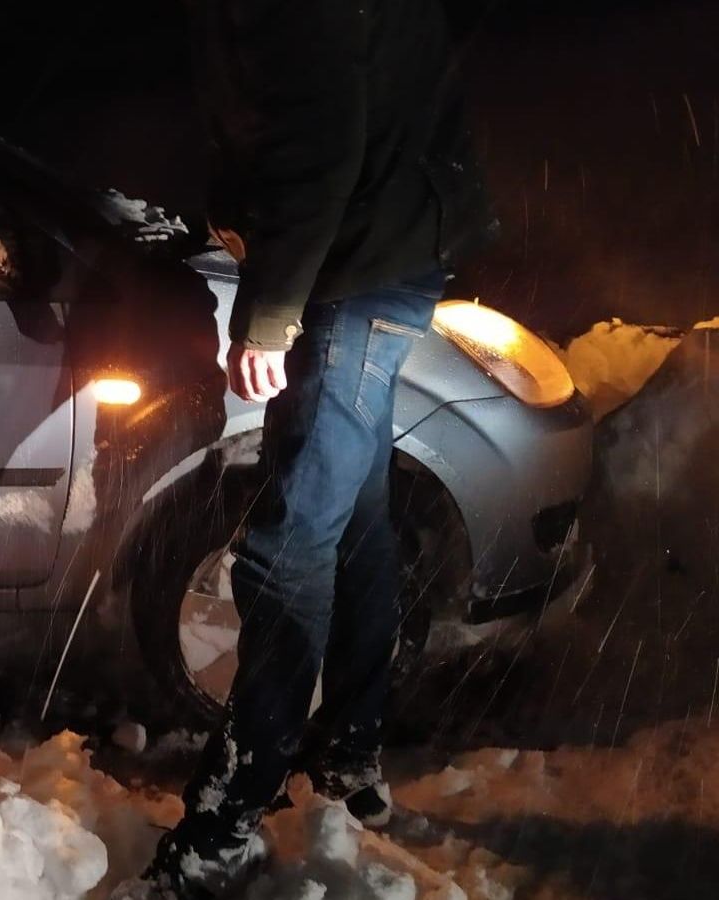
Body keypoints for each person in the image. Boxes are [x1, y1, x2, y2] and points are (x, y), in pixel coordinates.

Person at [131, 1, 497, 897]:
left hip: (360, 268)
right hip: (381, 252)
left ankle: (231, 816)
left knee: (287, 545)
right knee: (357, 519)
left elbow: (317, 145)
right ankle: (350, 754)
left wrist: (265, 317)